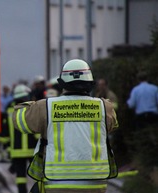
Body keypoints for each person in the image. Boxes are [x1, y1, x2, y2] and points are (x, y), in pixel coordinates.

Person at [12, 59, 119, 193]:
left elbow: (19, 121)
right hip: (95, 183)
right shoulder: (105, 107)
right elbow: (113, 125)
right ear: (91, 84)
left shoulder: (46, 107)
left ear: (62, 84)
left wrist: (32, 101)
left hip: (57, 183)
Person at [7, 84, 38, 193]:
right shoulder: (32, 108)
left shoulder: (9, 110)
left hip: (16, 150)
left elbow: (5, 132)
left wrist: (7, 149)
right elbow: (37, 130)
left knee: (20, 177)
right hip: (32, 150)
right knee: (38, 175)